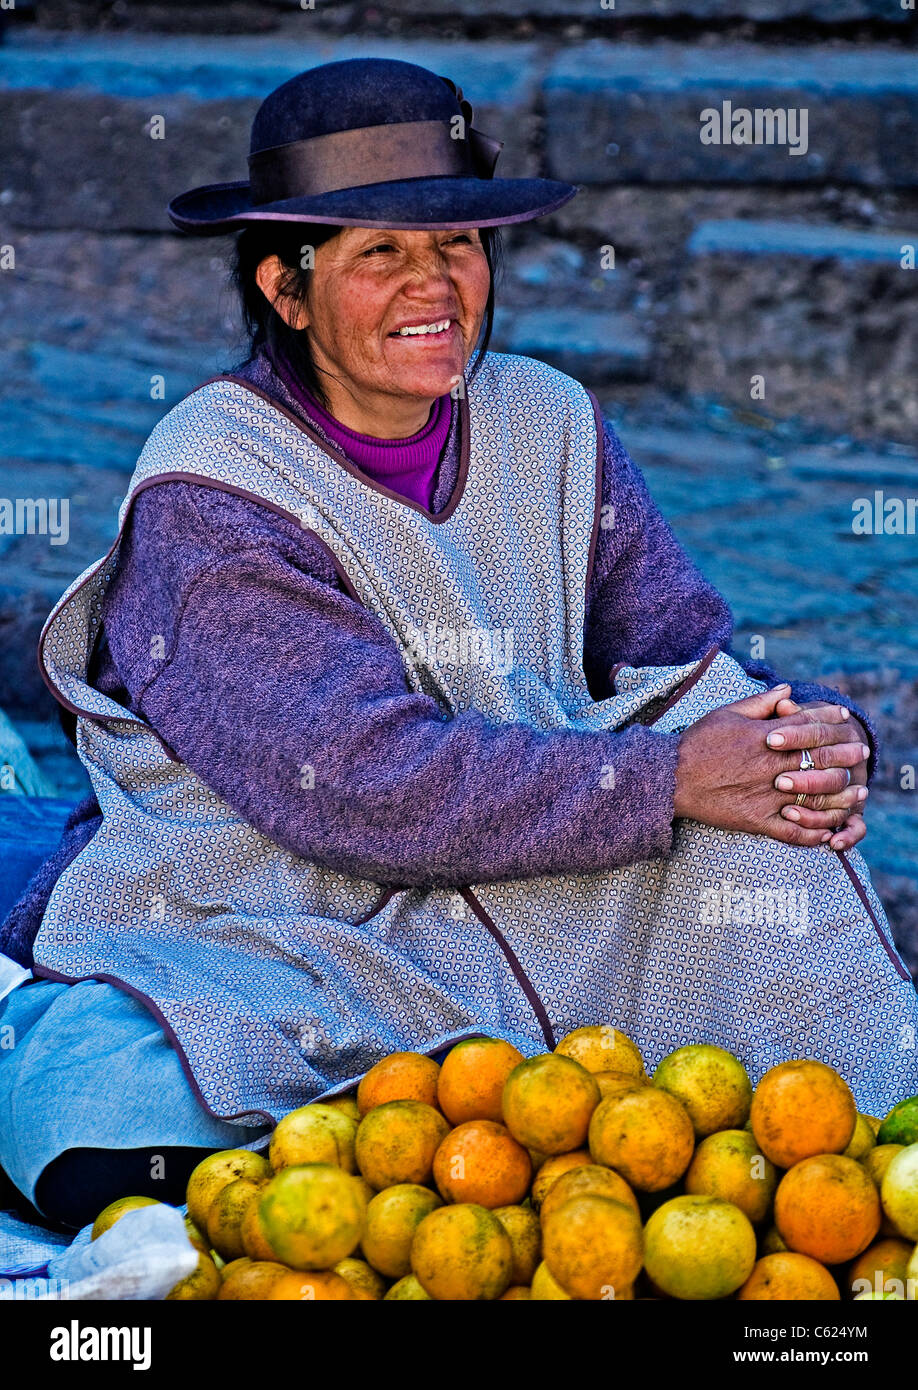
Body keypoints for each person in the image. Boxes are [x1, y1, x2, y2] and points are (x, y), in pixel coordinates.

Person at [1, 57, 915, 1231]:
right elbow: (361, 786)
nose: (436, 285)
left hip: (528, 868)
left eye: (460, 245)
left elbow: (680, 655)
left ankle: (851, 1165)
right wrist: (675, 775)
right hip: (279, 909)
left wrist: (806, 738)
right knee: (112, 1127)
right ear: (287, 287)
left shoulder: (546, 417)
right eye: (379, 252)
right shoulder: (215, 487)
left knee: (775, 862)